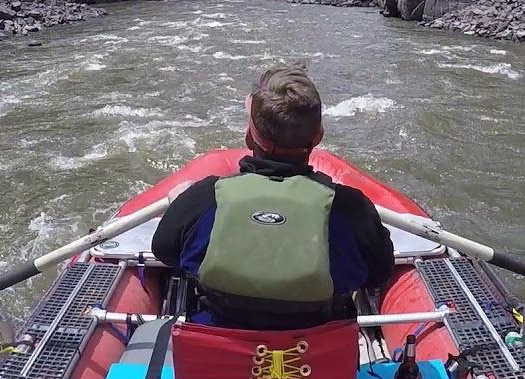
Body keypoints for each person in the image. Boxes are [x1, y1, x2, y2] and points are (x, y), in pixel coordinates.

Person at [152, 66, 396, 330]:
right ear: (318, 136)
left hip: (219, 347)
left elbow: (164, 250)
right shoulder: (351, 208)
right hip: (315, 351)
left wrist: (182, 204)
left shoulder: (204, 198)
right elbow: (379, 272)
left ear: (249, 136)